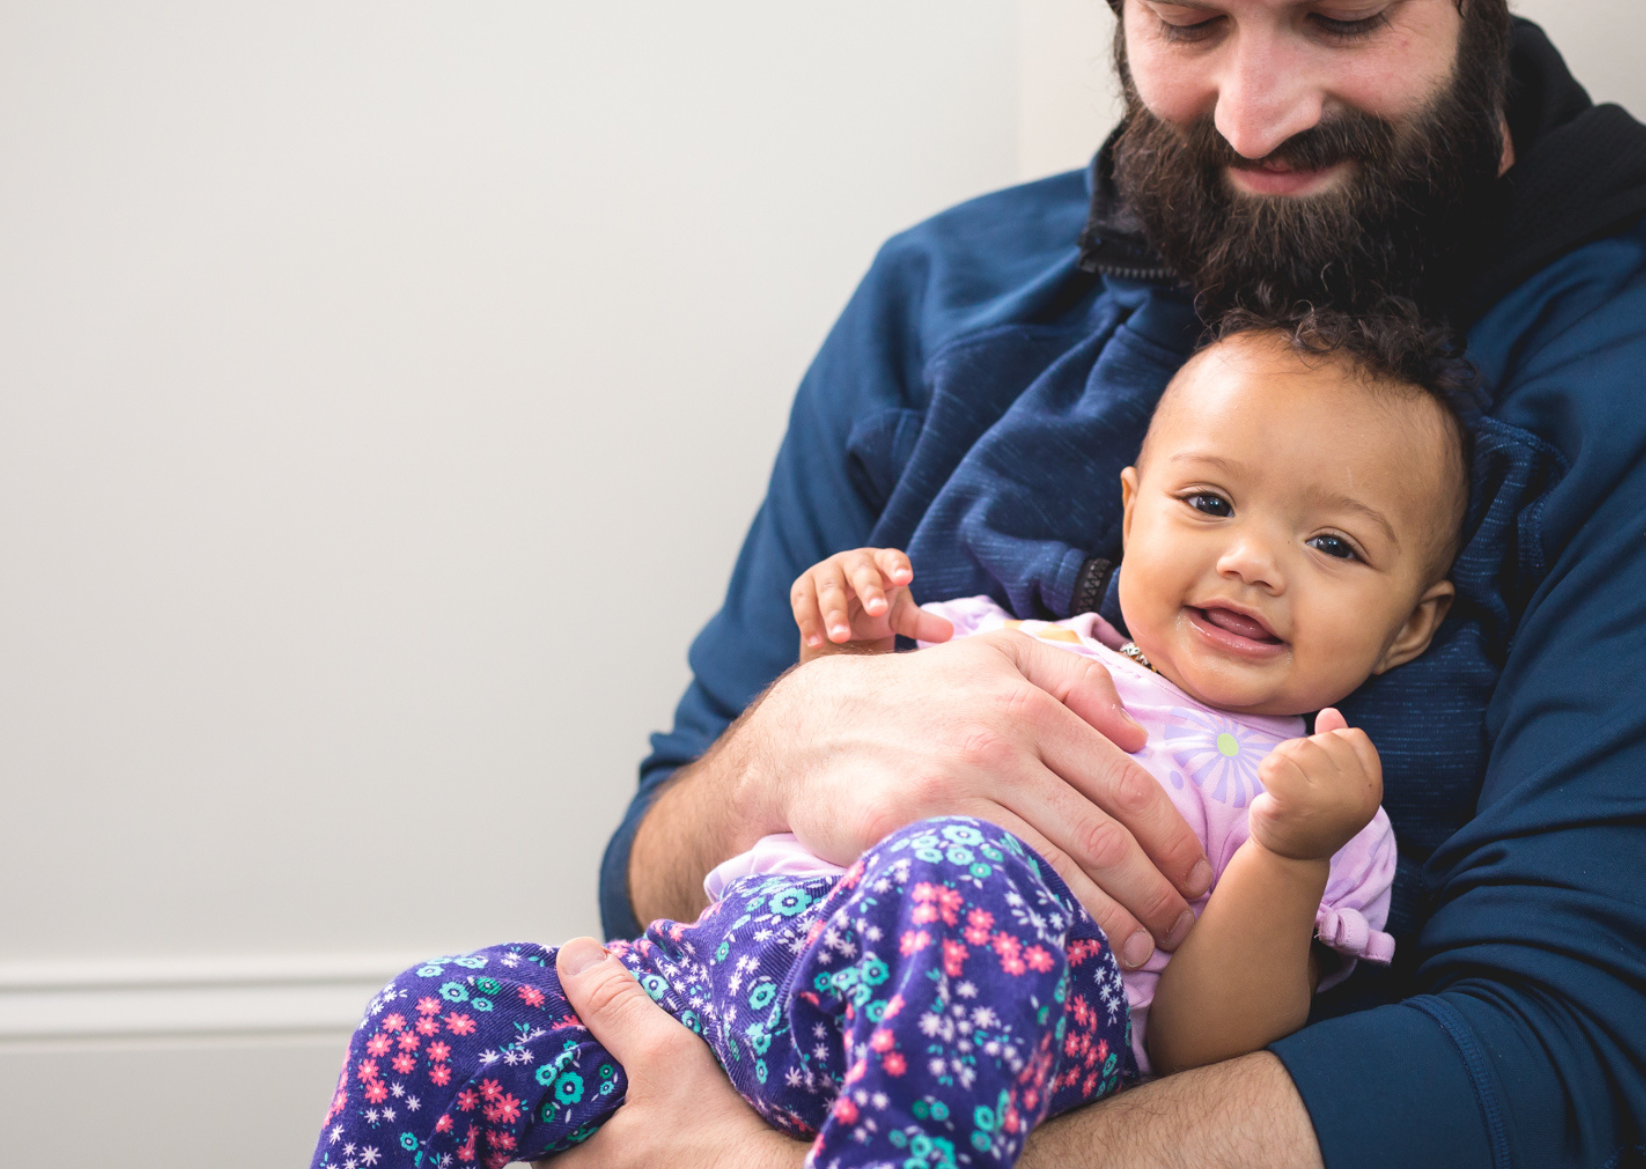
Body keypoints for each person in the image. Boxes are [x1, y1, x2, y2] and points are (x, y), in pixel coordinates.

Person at [570, 0, 1646, 1167]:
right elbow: (648, 875)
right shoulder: (945, 297)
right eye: (1188, 21)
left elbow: (1577, 1056)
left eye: (1346, 19)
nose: (1257, 112)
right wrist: (786, 751)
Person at [311, 310, 1471, 1169]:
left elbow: (1205, 1040)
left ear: (1411, 623)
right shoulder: (989, 635)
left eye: (1334, 547)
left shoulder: (1312, 798)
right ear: (1128, 511)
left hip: (988, 1037)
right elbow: (832, 781)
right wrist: (844, 653)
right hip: (728, 981)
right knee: (443, 1009)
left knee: (963, 875)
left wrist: (1284, 856)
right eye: (1207, 504)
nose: (1253, 561)